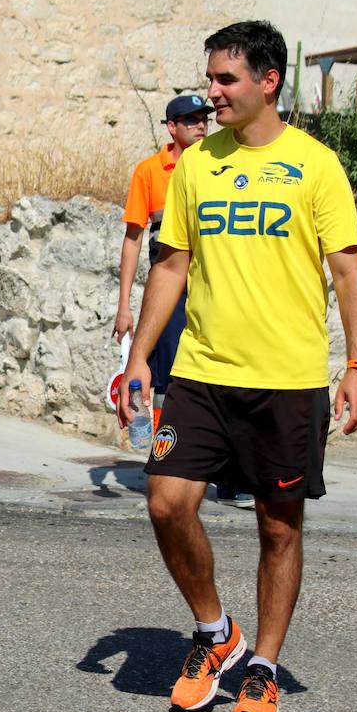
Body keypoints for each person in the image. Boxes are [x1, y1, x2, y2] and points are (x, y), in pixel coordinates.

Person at [120, 20, 357, 712]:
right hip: (202, 372)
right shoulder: (197, 164)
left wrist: (356, 365)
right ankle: (213, 631)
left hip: (287, 380)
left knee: (278, 527)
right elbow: (170, 264)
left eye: (225, 80)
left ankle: (261, 664)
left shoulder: (316, 165)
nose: (211, 94)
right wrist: (140, 354)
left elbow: (348, 269)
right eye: (209, 79)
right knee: (167, 501)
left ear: (269, 82)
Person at [113, 94, 255, 509]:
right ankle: (166, 459)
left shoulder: (222, 165)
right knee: (168, 381)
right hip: (173, 292)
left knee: (226, 378)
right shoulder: (150, 173)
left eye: (203, 119)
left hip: (214, 288)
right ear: (171, 127)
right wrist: (125, 306)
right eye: (190, 120)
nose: (200, 125)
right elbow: (134, 240)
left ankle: (231, 477)